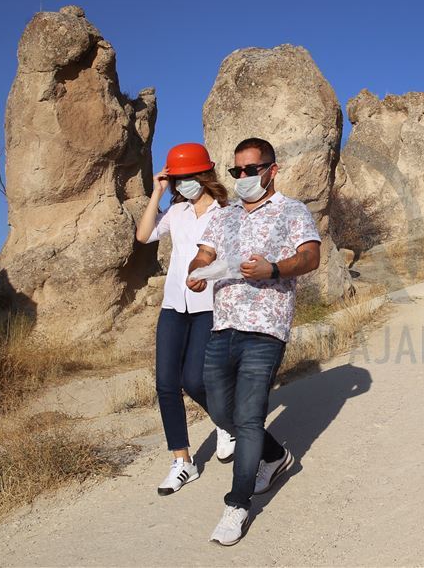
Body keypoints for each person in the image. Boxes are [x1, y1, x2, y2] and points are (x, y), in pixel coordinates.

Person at [186, 137, 322, 546]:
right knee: (210, 399)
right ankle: (275, 455)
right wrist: (197, 271)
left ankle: (237, 505)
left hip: (266, 327)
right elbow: (205, 254)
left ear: (271, 170)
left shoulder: (292, 210)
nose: (242, 176)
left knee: (247, 416)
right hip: (223, 323)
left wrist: (273, 269)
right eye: (237, 171)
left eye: (251, 169)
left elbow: (311, 256)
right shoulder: (224, 215)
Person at [135, 143, 236, 497]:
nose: (183, 184)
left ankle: (226, 423)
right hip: (173, 306)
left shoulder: (227, 213)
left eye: (187, 177)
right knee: (166, 384)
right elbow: (143, 235)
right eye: (177, 179)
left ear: (204, 174)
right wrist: (157, 192)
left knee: (194, 380)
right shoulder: (177, 211)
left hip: (209, 305)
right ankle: (182, 461)